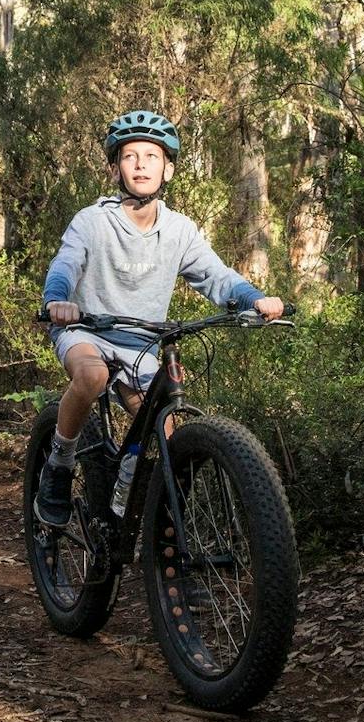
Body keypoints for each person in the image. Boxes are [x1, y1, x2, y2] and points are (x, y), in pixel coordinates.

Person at [34, 109, 284, 527]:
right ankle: (59, 463)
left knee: (165, 431)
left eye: (151, 156)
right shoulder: (93, 221)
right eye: (130, 156)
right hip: (85, 331)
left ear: (167, 168)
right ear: (115, 167)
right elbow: (65, 265)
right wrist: (58, 300)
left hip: (142, 345)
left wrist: (253, 299)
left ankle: (138, 509)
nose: (141, 164)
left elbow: (215, 275)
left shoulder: (180, 230)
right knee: (92, 376)